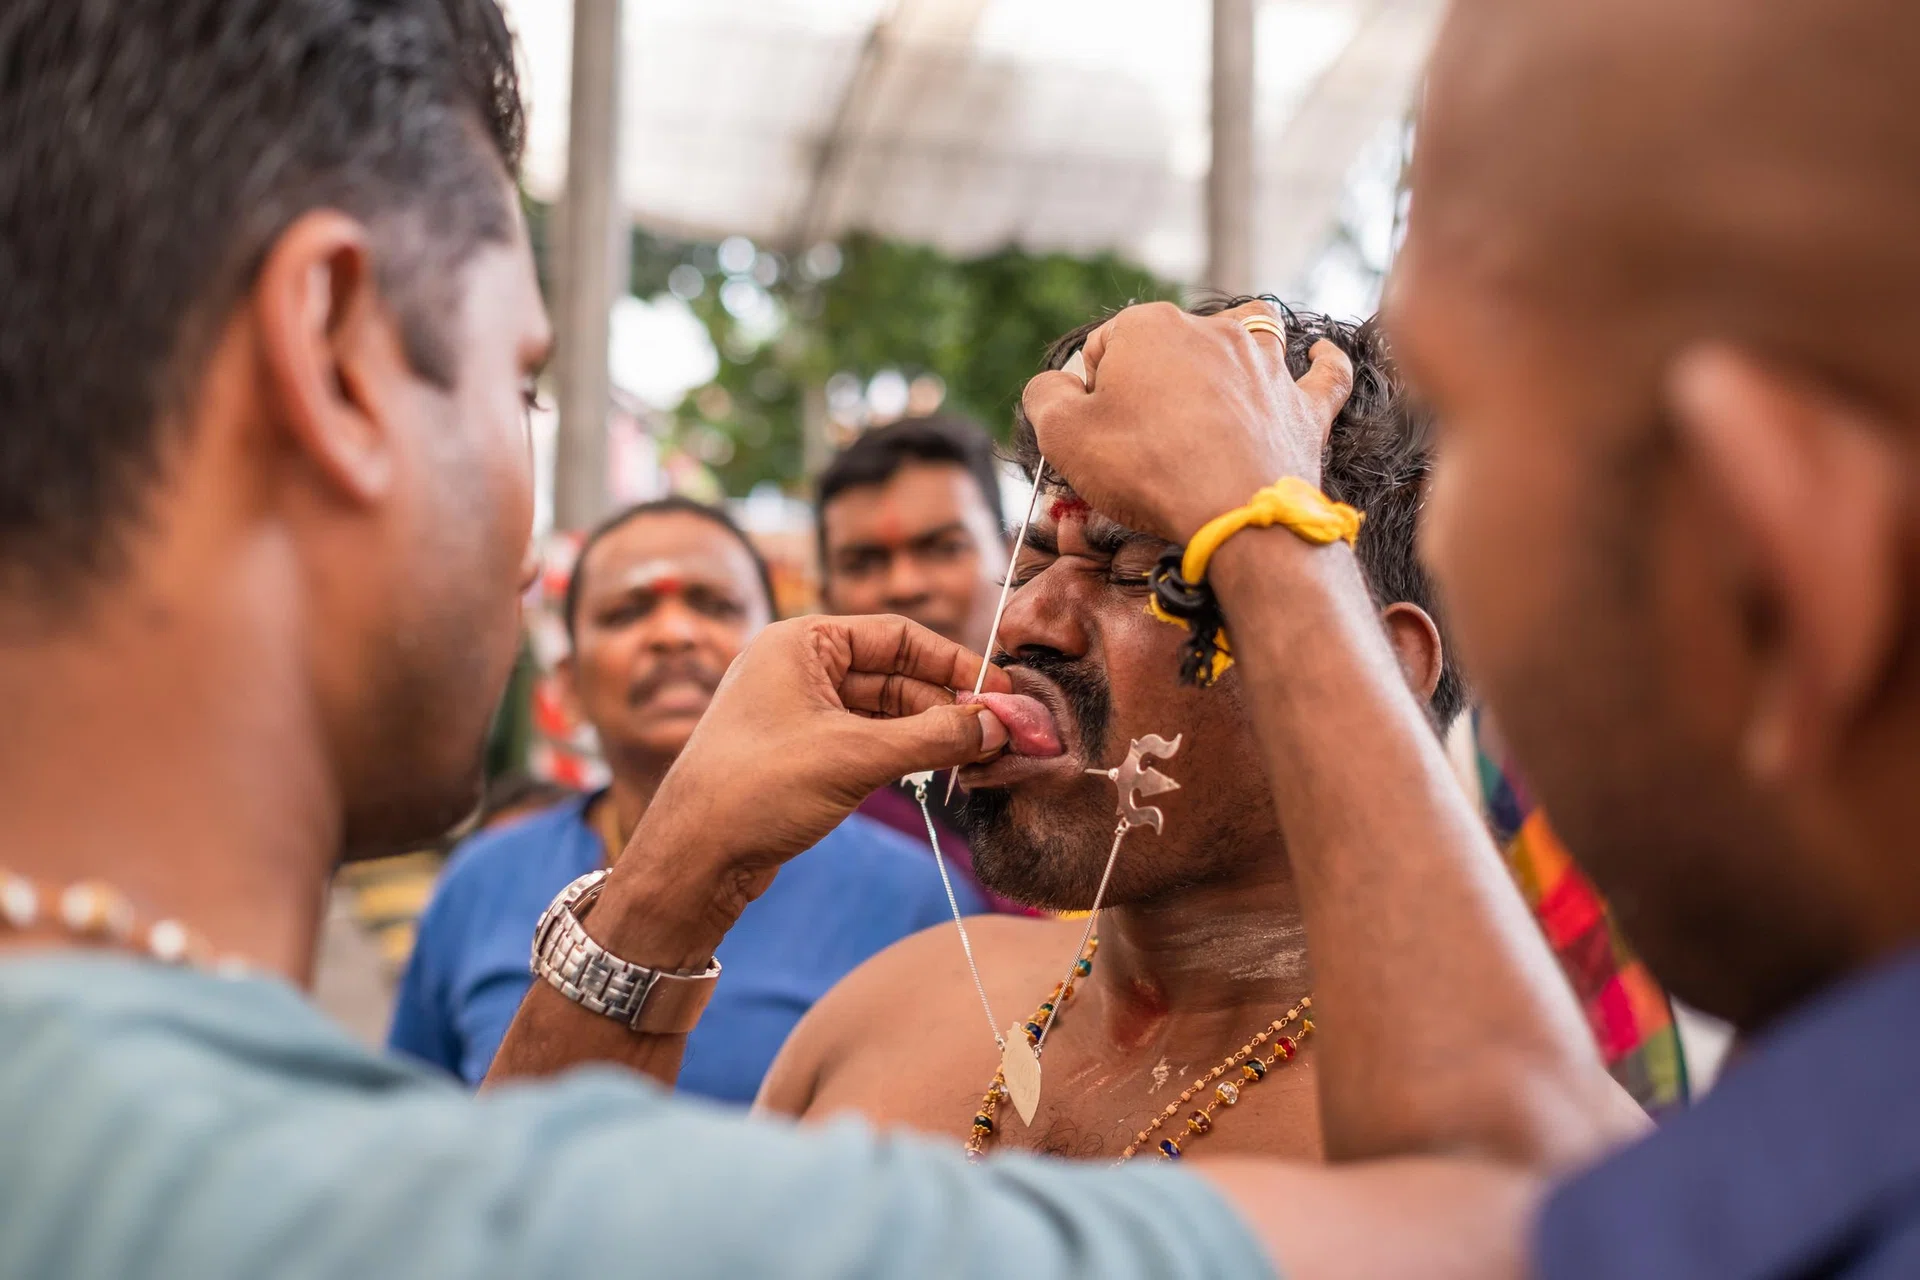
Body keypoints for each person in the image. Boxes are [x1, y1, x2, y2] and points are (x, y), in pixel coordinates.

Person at [756, 302, 1465, 1162]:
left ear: (1374, 672)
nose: (1021, 621)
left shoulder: (1464, 1153)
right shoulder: (893, 1006)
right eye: (1030, 564)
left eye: (1139, 570)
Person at [389, 496, 985, 1100]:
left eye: (714, 605)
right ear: (566, 688)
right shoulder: (480, 881)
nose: (673, 634)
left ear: (810, 660)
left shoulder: (918, 897)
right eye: (626, 612)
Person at [817, 414, 1019, 902]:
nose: (904, 585)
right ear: (824, 594)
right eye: (863, 562)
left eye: (943, 548)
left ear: (1014, 561)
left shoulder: (1091, 753)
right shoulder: (809, 799)